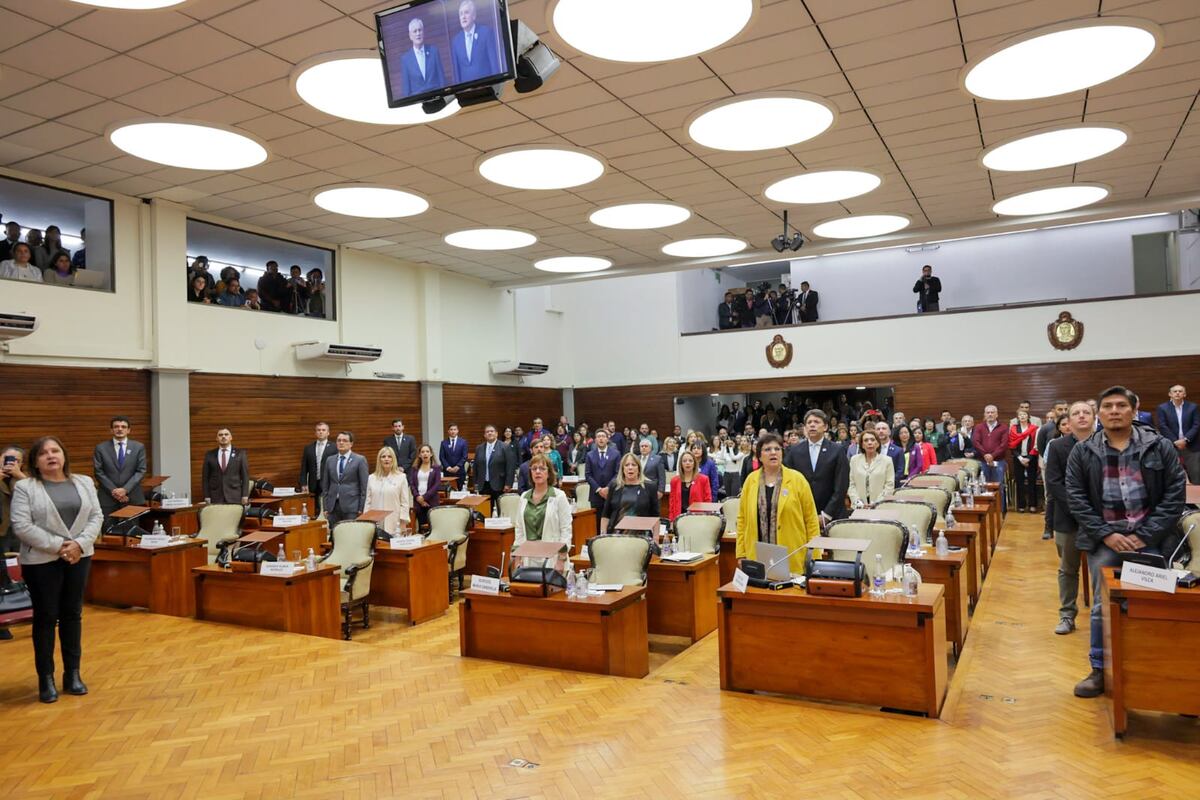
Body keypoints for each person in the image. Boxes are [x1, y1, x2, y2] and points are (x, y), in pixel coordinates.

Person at [1066, 386, 1187, 698]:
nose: (1114, 411)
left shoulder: (1158, 446)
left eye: (1121, 405)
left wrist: (1143, 536)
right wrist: (1107, 534)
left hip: (1149, 540)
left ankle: (1155, 669)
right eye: (1107, 406)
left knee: (1153, 606)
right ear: (1100, 413)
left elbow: (1175, 494)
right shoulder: (1083, 451)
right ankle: (1098, 670)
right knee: (1099, 607)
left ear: (1135, 410)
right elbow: (1076, 498)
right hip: (1105, 542)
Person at [10, 436, 102, 703]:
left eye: (55, 451)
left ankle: (72, 674)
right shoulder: (26, 487)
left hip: (79, 557)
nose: (51, 456)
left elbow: (96, 516)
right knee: (46, 616)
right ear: (35, 462)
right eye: (43, 453)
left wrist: (79, 545)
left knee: (72, 614)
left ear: (64, 455)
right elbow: (22, 526)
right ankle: (46, 678)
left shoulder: (84, 482)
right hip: (41, 561)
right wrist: (61, 546)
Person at [736, 433, 820, 574]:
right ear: (759, 455)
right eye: (767, 449)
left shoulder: (797, 479)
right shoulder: (751, 480)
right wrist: (741, 553)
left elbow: (811, 520)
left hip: (791, 555)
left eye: (777, 449)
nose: (773, 452)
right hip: (756, 557)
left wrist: (814, 556)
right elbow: (742, 519)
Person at [1044, 406, 1089, 635]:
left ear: (1095, 418)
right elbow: (1053, 482)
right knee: (1068, 569)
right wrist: (1079, 510)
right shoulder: (1058, 446)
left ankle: (1107, 615)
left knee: (1103, 569)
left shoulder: (1105, 443)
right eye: (1076, 413)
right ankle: (1067, 615)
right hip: (1067, 517)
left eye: (1086, 412)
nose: (1081, 416)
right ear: (1068, 422)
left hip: (1100, 520)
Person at [783, 410, 849, 527]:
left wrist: (826, 515)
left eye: (816, 422)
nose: (812, 425)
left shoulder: (837, 450)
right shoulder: (794, 451)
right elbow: (788, 483)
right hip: (801, 515)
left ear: (825, 427)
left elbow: (841, 485)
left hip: (833, 516)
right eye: (809, 422)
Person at [92, 416, 147, 522]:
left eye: (123, 427)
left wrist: (125, 490)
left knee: (132, 533)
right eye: (116, 427)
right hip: (108, 498)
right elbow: (98, 472)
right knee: (109, 533)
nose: (120, 429)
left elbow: (141, 471)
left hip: (131, 497)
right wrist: (115, 491)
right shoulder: (101, 448)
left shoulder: (138, 447)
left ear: (128, 430)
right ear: (111, 430)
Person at [513, 453, 572, 546]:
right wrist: (516, 554)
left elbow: (566, 528)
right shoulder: (524, 497)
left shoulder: (559, 496)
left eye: (542, 468)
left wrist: (562, 555)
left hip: (552, 555)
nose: (537, 471)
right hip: (528, 555)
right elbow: (519, 529)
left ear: (549, 473)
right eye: (534, 468)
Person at [600, 454, 659, 534]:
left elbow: (655, 516)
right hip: (616, 535)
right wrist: (603, 534)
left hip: (641, 536)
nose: (630, 468)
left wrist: (656, 538)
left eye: (633, 465)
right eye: (627, 465)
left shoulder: (650, 486)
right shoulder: (615, 486)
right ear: (622, 469)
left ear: (639, 468)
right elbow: (606, 514)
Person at [1038, 400, 1071, 539]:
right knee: (1051, 498)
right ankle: (1048, 528)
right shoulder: (1047, 429)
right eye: (1060, 409)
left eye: (1065, 408)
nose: (1063, 411)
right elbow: (1041, 446)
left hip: (1070, 473)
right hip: (1053, 471)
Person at [322, 431, 369, 527]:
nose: (341, 443)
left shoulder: (359, 460)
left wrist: (361, 508)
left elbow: (364, 486)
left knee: (350, 536)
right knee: (334, 536)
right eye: (339, 440)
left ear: (351, 444)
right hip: (333, 507)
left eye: (344, 440)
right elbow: (326, 485)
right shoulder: (330, 460)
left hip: (352, 507)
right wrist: (326, 507)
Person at [1155, 384, 1200, 483]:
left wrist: (1185, 439)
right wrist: (1175, 441)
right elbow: (1162, 426)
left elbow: (1196, 425)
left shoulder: (1193, 407)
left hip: (1191, 446)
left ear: (1184, 394)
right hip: (1171, 446)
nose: (1177, 393)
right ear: (1169, 394)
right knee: (1171, 475)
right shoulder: (1162, 408)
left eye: (1180, 391)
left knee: (1196, 474)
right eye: (1175, 391)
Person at [364, 446, 413, 535]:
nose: (386, 459)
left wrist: (403, 523)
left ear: (393, 459)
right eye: (383, 457)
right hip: (375, 522)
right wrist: (366, 521)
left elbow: (405, 503)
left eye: (389, 457)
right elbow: (368, 501)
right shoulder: (371, 478)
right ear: (379, 460)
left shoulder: (401, 477)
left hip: (395, 522)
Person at [450, 0, 499, 82]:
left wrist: (496, 83)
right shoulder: (456, 41)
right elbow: (456, 72)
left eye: (466, 12)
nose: (463, 16)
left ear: (474, 16)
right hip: (466, 91)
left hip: (487, 85)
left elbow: (494, 64)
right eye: (461, 14)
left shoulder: (486, 32)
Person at [972, 405, 1009, 512]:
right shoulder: (979, 427)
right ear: (984, 414)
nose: (990, 414)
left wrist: (992, 456)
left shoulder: (1004, 427)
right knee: (984, 486)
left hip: (999, 461)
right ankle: (986, 510)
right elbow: (976, 442)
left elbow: (1004, 444)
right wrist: (986, 455)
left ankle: (999, 511)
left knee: (999, 486)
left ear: (997, 414)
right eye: (988, 412)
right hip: (983, 461)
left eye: (992, 412)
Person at [400, 15, 448, 96]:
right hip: (418, 101)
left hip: (437, 97)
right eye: (415, 31)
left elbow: (442, 79)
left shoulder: (433, 51)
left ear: (423, 32)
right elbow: (406, 90)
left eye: (420, 30)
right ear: (410, 36)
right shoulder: (405, 59)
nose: (418, 33)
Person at [201, 428, 248, 505]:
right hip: (215, 496)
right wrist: (207, 496)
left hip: (235, 495)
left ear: (231, 437)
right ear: (217, 439)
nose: (223, 436)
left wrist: (245, 495)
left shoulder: (240, 454)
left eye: (226, 434)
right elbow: (205, 478)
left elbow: (245, 476)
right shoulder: (209, 455)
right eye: (220, 435)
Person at [847, 430, 895, 506]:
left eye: (872, 440)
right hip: (859, 506)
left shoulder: (887, 460)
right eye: (866, 440)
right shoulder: (854, 460)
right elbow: (851, 484)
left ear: (878, 443)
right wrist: (858, 502)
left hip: (880, 506)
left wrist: (877, 503)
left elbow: (889, 486)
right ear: (862, 445)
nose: (869, 443)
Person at [586, 429, 623, 525]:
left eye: (603, 436)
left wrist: (607, 488)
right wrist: (599, 489)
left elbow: (617, 473)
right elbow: (588, 475)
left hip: (612, 493)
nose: (601, 439)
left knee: (612, 523)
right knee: (597, 524)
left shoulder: (616, 454)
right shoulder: (590, 455)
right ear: (595, 440)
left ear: (607, 439)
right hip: (596, 495)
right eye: (598, 437)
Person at [299, 421, 336, 513]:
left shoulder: (334, 447)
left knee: (327, 506)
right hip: (313, 483)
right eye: (318, 430)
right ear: (315, 433)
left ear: (328, 433)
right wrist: (303, 483)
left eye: (323, 430)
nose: (321, 432)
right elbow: (304, 467)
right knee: (314, 507)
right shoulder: (308, 448)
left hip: (329, 483)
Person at [474, 424, 515, 507]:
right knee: (485, 510)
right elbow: (476, 467)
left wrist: (508, 484)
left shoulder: (505, 447)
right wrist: (475, 484)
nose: (489, 433)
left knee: (501, 510)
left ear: (496, 434)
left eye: (492, 431)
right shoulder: (479, 448)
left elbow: (510, 466)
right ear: (484, 435)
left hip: (500, 484)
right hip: (483, 485)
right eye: (487, 432)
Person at [1009, 409, 1040, 513]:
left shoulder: (1034, 428)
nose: (1022, 416)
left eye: (1024, 415)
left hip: (1031, 458)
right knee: (1020, 482)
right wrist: (1021, 458)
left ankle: (1032, 504)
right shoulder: (1013, 429)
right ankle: (1021, 505)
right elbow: (1011, 445)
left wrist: (1029, 458)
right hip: (1018, 458)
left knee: (1032, 481)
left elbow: (1037, 445)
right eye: (1020, 415)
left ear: (1028, 417)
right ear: (1017, 417)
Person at [668, 450, 711, 522]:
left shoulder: (703, 479)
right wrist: (671, 520)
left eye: (690, 461)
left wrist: (706, 518)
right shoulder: (674, 481)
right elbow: (672, 503)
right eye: (684, 461)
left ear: (694, 463)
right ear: (681, 464)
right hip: (679, 519)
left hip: (697, 518)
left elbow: (708, 500)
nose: (687, 463)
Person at [408, 444, 441, 530]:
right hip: (418, 503)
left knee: (433, 527)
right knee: (421, 527)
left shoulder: (436, 468)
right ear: (419, 455)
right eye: (422, 452)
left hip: (431, 502)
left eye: (427, 451)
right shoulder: (415, 468)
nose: (425, 454)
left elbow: (436, 485)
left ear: (431, 454)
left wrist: (424, 498)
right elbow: (412, 484)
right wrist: (418, 497)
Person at [1, 445, 26, 556]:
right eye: (6, 458)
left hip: (20, 532)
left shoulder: (25, 479)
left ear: (21, 465)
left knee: (19, 567)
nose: (10, 463)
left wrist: (20, 476)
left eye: (16, 461)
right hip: (1, 532)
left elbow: (40, 496)